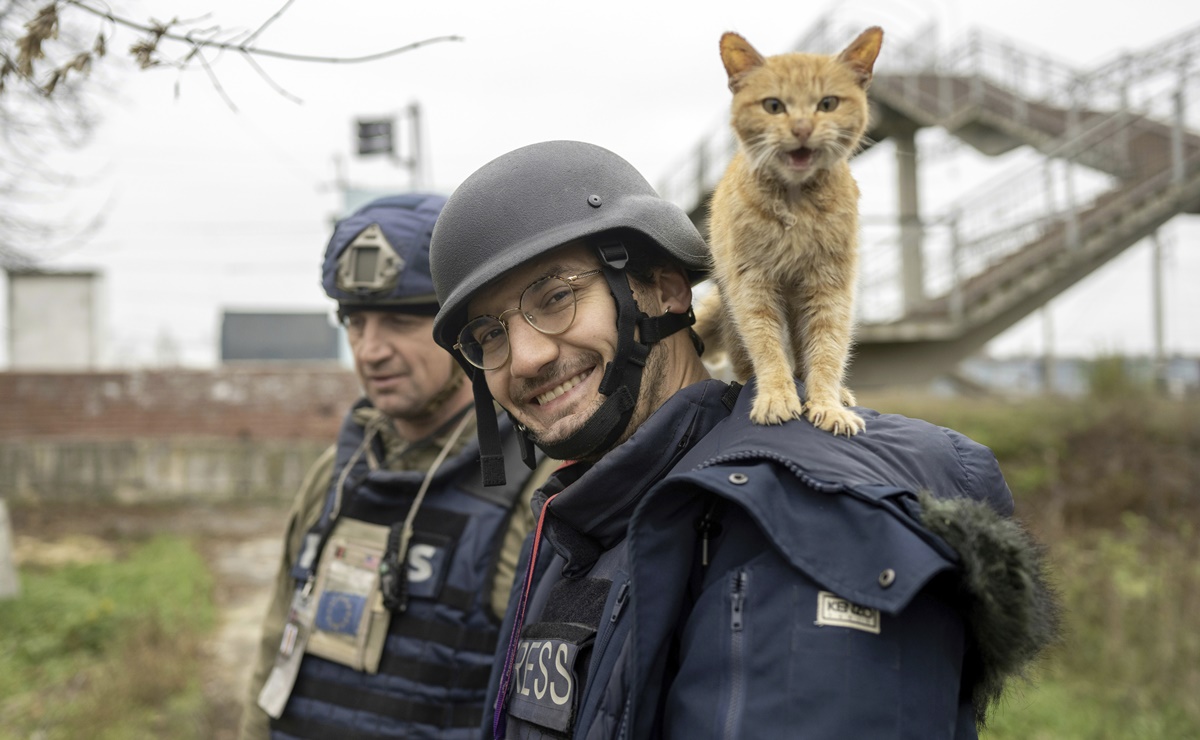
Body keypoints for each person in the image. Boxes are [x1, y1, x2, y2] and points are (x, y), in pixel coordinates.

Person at [427, 141, 1060, 739]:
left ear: (667, 288)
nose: (527, 356)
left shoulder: (801, 522)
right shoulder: (578, 526)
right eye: (490, 335)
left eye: (557, 297)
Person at [240, 193, 556, 740]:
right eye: (354, 322)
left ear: (467, 326)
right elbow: (274, 652)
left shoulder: (541, 487)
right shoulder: (334, 476)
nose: (369, 350)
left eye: (400, 321)